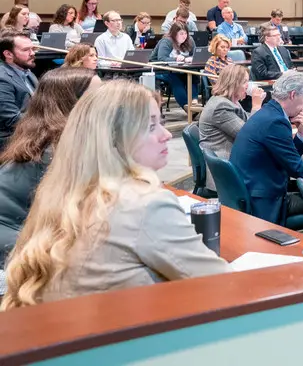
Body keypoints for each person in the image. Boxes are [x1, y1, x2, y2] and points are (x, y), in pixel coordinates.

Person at [0, 81, 230, 308]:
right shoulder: (144, 204)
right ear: (113, 140)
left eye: (162, 122)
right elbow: (226, 284)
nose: (167, 135)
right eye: (150, 126)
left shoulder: (63, 194)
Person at [0, 69, 97, 261]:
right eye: (97, 96)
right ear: (74, 104)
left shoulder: (45, 137)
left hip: (26, 235)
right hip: (17, 244)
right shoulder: (58, 150)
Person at [230, 71, 303, 224]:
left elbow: (286, 157)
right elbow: (298, 169)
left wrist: (301, 133)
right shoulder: (275, 122)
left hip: (251, 189)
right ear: (293, 95)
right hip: (263, 201)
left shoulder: (269, 112)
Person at [199, 64, 265, 191]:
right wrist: (256, 106)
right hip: (224, 171)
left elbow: (248, 121)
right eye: (245, 82)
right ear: (233, 83)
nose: (248, 86)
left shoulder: (232, 102)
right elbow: (248, 136)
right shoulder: (221, 106)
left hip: (234, 161)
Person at [0, 33, 38, 151]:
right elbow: (11, 119)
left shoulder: (27, 72)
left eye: (32, 49)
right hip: (10, 139)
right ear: (8, 54)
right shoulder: (2, 79)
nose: (32, 53)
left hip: (29, 131)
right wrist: (46, 121)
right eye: (26, 50)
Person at [152, 23, 195, 111]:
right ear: (174, 34)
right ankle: (187, 106)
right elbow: (162, 58)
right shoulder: (166, 41)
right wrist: (176, 59)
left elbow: (194, 54)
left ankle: (194, 102)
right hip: (160, 70)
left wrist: (190, 58)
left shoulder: (189, 40)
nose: (184, 36)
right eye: (181, 34)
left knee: (193, 75)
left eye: (185, 33)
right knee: (175, 79)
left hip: (179, 69)